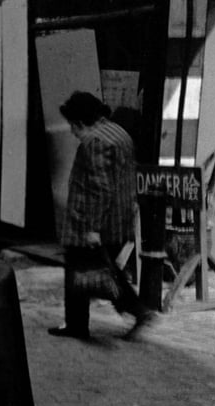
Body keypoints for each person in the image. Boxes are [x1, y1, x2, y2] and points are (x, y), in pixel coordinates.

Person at [48, 91, 155, 341]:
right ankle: (135, 311)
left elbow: (99, 187)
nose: (73, 133)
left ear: (81, 122)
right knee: (98, 269)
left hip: (94, 220)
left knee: (83, 270)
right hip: (119, 217)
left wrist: (93, 227)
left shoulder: (94, 142)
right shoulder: (118, 132)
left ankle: (130, 312)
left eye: (73, 127)